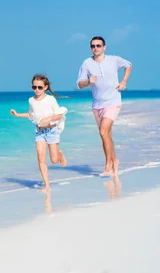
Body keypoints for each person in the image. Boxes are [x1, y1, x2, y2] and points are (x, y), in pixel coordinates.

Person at [77, 36, 132, 176]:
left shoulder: (114, 60)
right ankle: (115, 160)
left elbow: (128, 65)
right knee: (106, 135)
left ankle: (108, 166)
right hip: (97, 104)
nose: (95, 48)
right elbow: (79, 84)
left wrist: (124, 81)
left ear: (104, 47)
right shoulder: (87, 63)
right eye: (93, 46)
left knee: (103, 131)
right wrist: (88, 82)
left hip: (113, 101)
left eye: (98, 45)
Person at [10, 74, 68, 193]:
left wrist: (48, 119)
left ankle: (60, 154)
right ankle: (46, 185)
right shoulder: (31, 100)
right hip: (39, 132)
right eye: (34, 87)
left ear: (45, 87)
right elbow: (31, 114)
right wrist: (18, 114)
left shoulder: (50, 99)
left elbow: (59, 114)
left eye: (39, 87)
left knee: (54, 160)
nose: (36, 89)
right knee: (40, 158)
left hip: (52, 131)